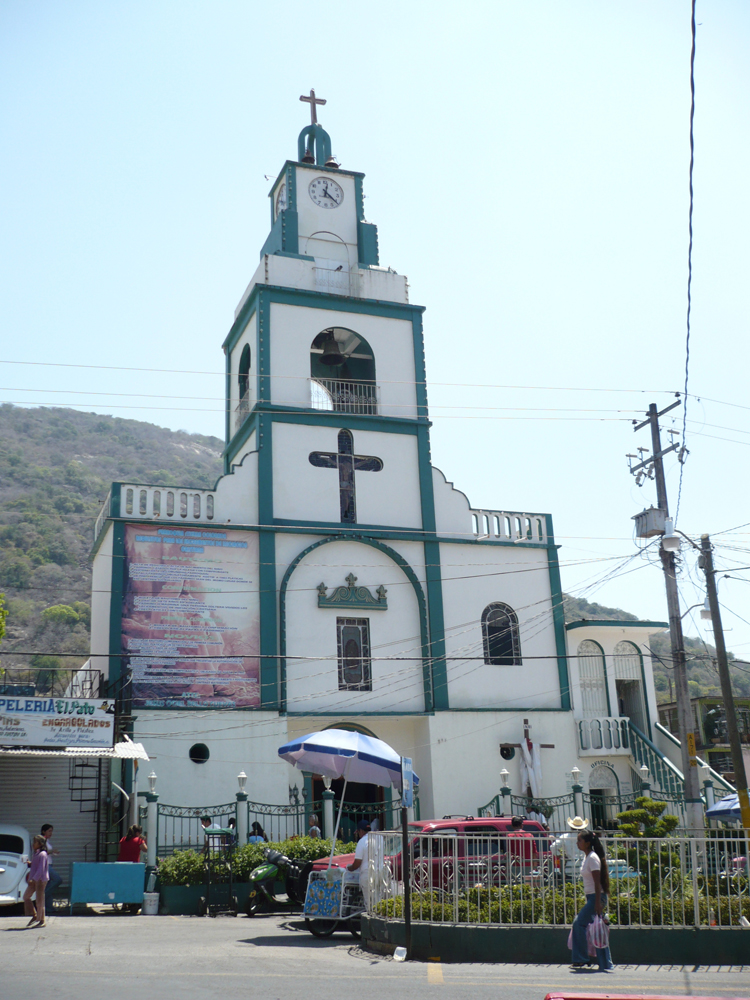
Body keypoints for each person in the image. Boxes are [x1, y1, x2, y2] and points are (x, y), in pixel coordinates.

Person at [570, 830, 614, 972]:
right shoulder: (588, 857)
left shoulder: (593, 858)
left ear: (587, 843)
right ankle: (605, 962)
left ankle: (581, 959)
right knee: (598, 929)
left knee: (579, 923)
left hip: (596, 896)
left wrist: (596, 903)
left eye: (579, 841)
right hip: (593, 897)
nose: (577, 843)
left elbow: (597, 882)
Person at [24, 835, 49, 928]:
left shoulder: (42, 854)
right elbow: (35, 866)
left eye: (35, 842)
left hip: (40, 880)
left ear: (40, 844)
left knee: (39, 900)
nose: (33, 844)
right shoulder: (36, 854)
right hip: (34, 879)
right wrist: (29, 863)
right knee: (26, 896)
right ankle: (34, 915)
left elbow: (41, 869)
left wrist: (33, 879)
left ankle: (42, 920)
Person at [551, 816, 587, 881]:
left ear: (571, 827)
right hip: (584, 867)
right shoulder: (587, 837)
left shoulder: (565, 836)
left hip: (570, 868)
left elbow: (553, 847)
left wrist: (560, 855)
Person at [41, 823, 62, 912]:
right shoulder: (41, 840)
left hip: (49, 864)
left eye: (51, 831)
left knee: (48, 885)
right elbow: (42, 851)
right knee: (58, 880)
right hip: (45, 865)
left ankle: (49, 908)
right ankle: (41, 896)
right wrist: (52, 851)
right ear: (43, 831)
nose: (51, 833)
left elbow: (47, 852)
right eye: (49, 831)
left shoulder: (47, 841)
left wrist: (53, 853)